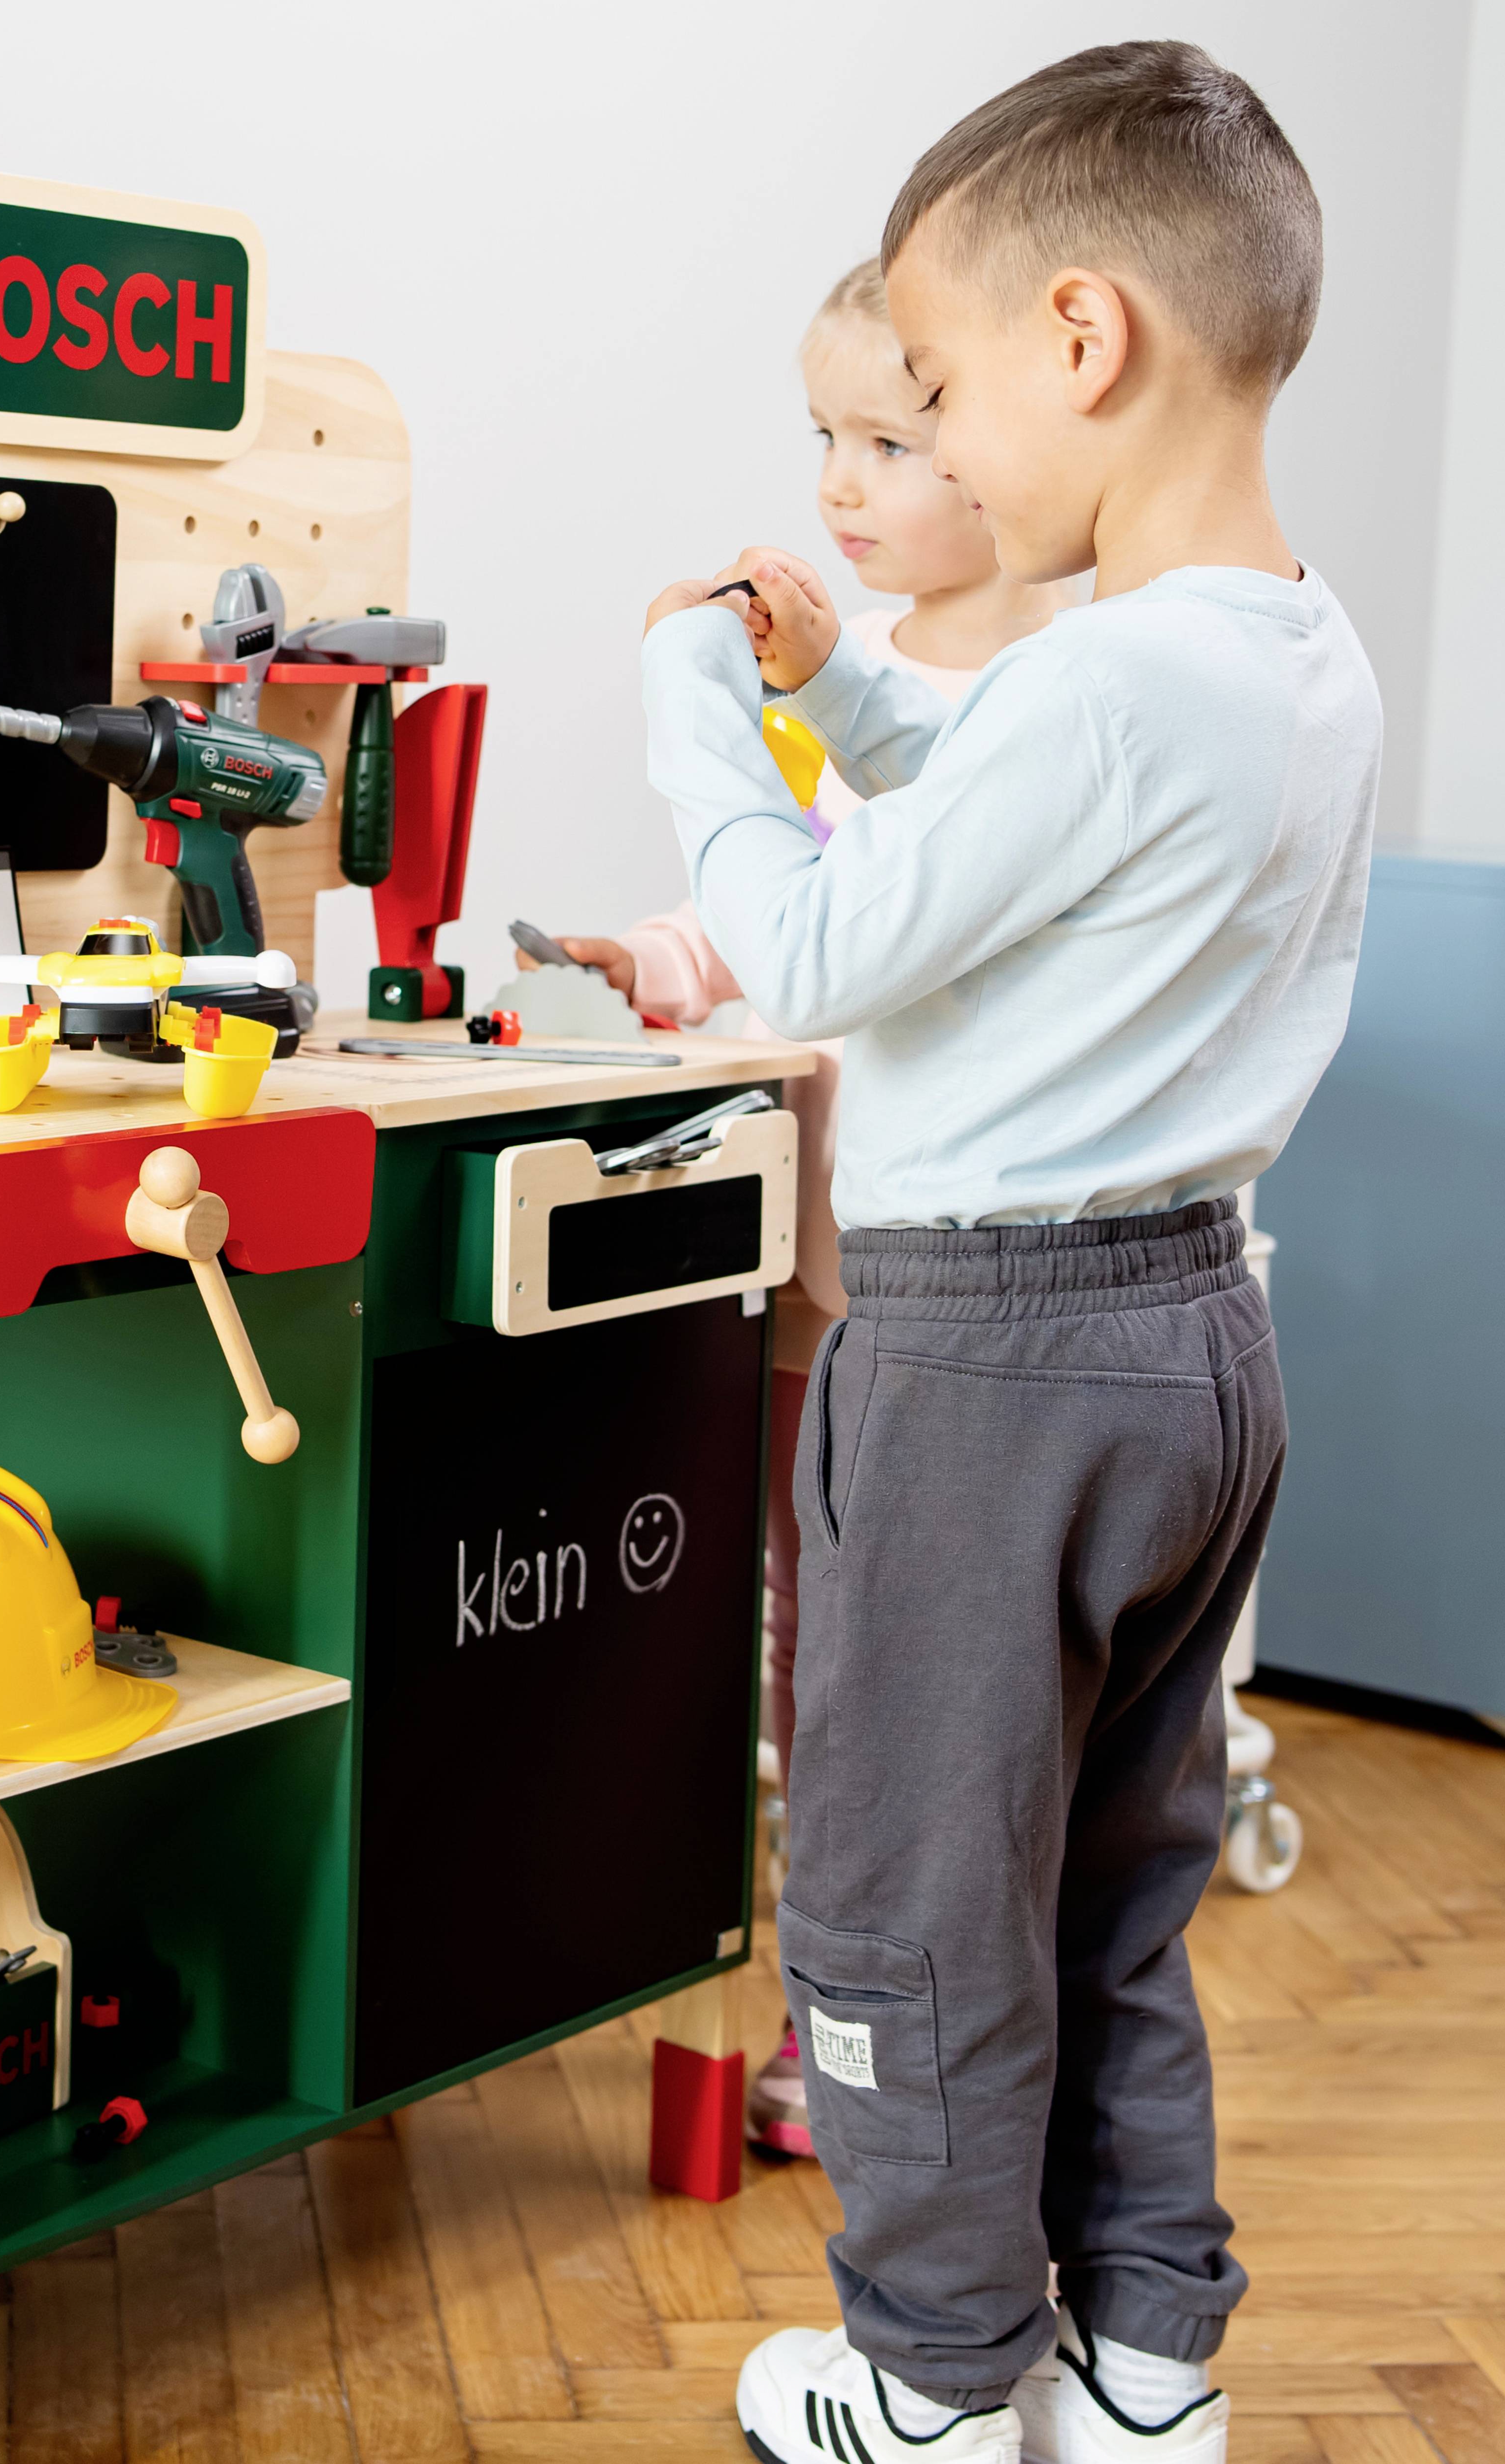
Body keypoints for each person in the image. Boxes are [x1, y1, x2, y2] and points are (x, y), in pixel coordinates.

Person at [640, 44, 1377, 2464]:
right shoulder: (1286, 653)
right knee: (1104, 1886)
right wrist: (837, 682)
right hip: (1194, 1338)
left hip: (986, 1366)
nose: (932, 451)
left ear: (1081, 342)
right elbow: (1023, 826)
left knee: (892, 1892)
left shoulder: (1091, 673)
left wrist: (688, 698)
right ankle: (1136, 2359)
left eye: (940, 389)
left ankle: (929, 2378)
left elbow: (824, 946)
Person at [525, 256, 1069, 2166]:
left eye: (889, 442)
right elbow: (784, 914)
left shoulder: (1029, 701)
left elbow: (861, 944)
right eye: (822, 439)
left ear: (1005, 452)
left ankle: (876, 2041)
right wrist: (660, 958)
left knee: (882, 1688)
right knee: (785, 1668)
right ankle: (803, 2005)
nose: (841, 483)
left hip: (912, 1299)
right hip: (788, 1266)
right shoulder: (839, 690)